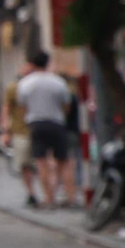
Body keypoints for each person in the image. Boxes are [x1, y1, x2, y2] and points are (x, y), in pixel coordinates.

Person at [16, 51, 77, 208]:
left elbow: (22, 107)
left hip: (36, 123)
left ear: (32, 64)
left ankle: (49, 198)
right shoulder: (58, 82)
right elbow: (66, 105)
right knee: (64, 161)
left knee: (41, 162)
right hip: (57, 123)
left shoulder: (25, 83)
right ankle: (70, 197)